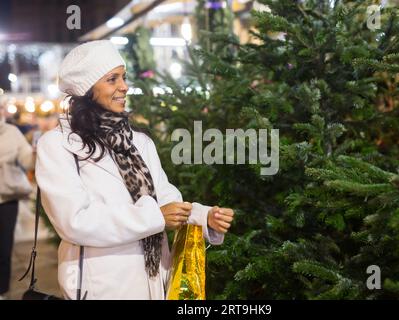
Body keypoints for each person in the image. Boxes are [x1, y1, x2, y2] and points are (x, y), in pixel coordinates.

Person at [35, 40, 234, 300]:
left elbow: (165, 198)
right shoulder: (58, 145)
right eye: (112, 79)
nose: (124, 86)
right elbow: (75, 222)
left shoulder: (139, 141)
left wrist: (202, 216)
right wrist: (154, 218)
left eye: (124, 77)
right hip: (101, 285)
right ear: (87, 88)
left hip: (154, 279)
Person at [0, 103, 35, 300]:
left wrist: (37, 153)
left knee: (4, 248)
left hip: (6, 198)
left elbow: (27, 159)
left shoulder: (12, 132)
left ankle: (2, 291)